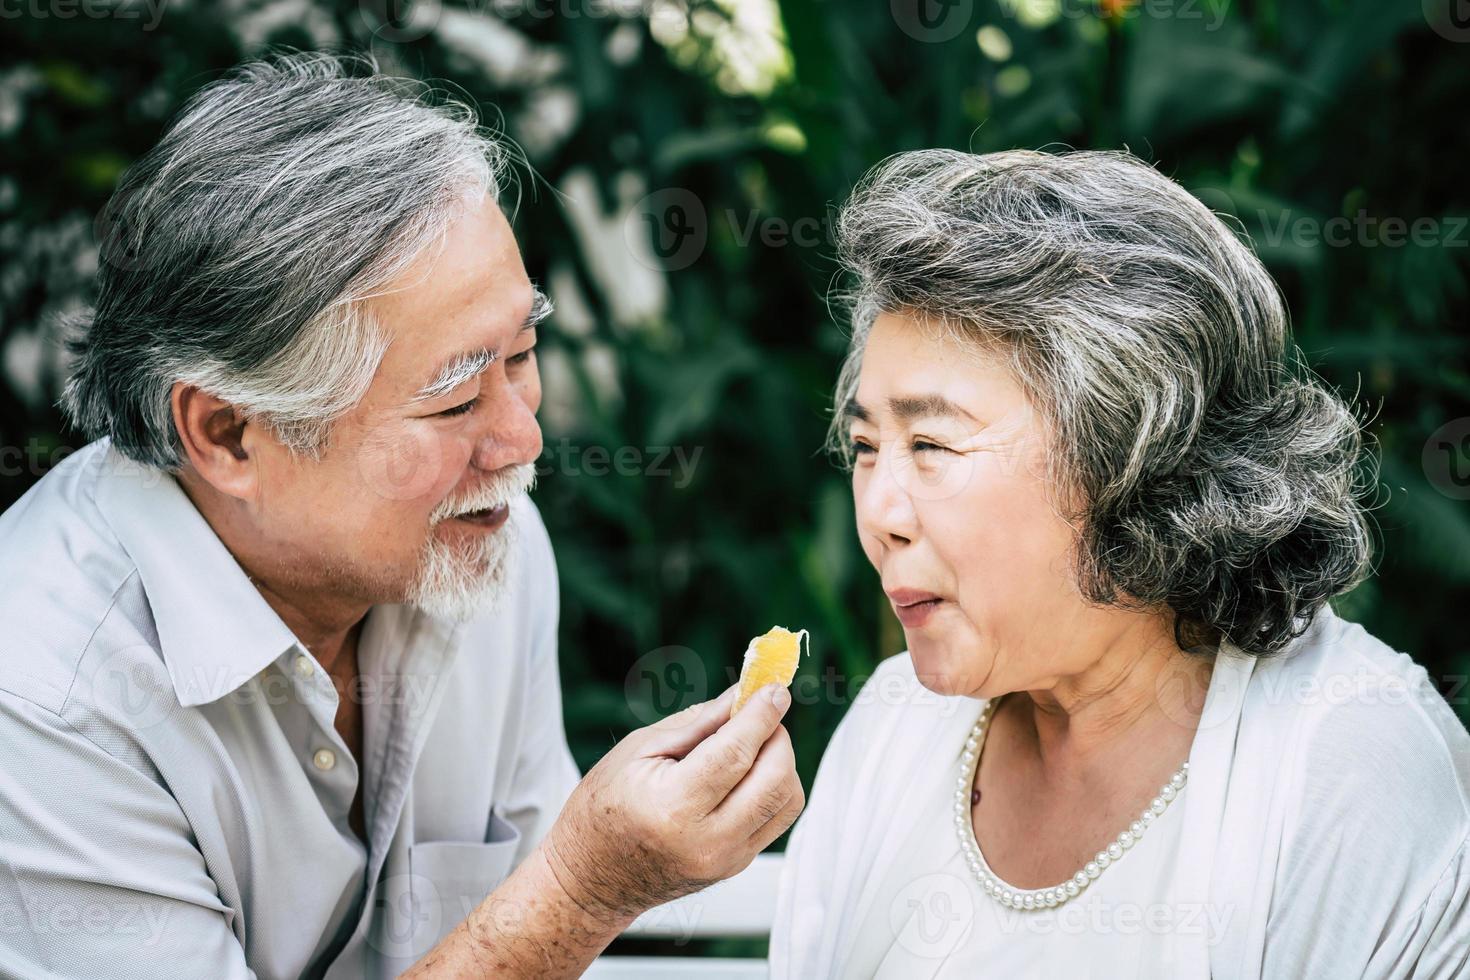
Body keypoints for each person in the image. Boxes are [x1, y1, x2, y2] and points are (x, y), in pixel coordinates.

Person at [0, 50, 803, 980]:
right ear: (226, 434)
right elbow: (545, 916)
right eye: (457, 400)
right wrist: (582, 892)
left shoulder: (476, 540)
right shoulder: (40, 703)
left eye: (524, 354)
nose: (521, 441)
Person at [770, 147, 1470, 977]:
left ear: (1133, 458)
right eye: (864, 444)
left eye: (930, 443)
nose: (879, 513)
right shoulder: (893, 726)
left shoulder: (1345, 767)